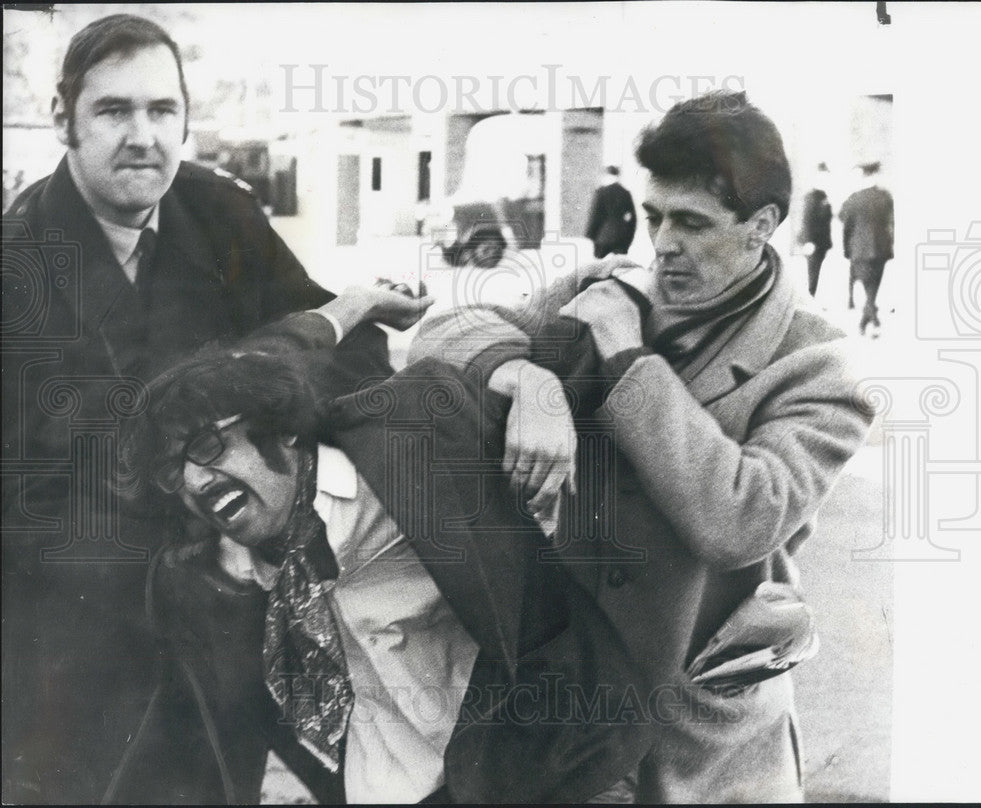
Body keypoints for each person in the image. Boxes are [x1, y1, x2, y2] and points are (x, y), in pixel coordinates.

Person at [0, 15, 431, 803]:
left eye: (163, 111)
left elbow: (350, 357)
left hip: (251, 601)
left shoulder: (216, 211)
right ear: (63, 117)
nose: (143, 136)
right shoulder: (19, 261)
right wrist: (303, 339)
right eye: (114, 110)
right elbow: (107, 449)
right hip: (83, 638)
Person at [411, 90, 875, 802]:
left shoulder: (817, 364)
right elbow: (438, 334)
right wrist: (524, 377)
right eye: (653, 216)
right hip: (566, 717)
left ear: (762, 226)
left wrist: (629, 358)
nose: (660, 245)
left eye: (691, 223)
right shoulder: (603, 287)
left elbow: (740, 519)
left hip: (697, 738)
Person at [109, 299, 653, 804]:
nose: (194, 480)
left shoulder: (416, 431)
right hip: (390, 787)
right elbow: (281, 345)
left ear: (279, 428)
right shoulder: (208, 573)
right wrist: (353, 302)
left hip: (556, 765)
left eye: (205, 447)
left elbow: (541, 328)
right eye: (170, 471)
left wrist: (537, 387)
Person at [840, 162, 894, 335]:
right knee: (873, 286)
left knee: (868, 286)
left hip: (859, 250)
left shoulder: (853, 199)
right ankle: (871, 321)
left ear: (863, 176)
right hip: (881, 249)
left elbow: (846, 226)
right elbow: (891, 224)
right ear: (875, 175)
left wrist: (846, 249)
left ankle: (867, 322)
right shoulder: (885, 197)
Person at [796, 162, 833, 296]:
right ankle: (809, 299)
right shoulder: (811, 197)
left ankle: (812, 297)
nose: (825, 180)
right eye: (823, 177)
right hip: (812, 243)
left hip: (821, 242)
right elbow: (806, 220)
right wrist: (808, 241)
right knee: (811, 274)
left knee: (815, 273)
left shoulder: (823, 195)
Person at [585, 165, 637, 258]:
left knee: (601, 268)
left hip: (603, 238)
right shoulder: (625, 193)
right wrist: (628, 238)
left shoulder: (601, 192)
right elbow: (633, 219)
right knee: (618, 268)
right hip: (621, 239)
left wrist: (590, 234)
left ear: (606, 175)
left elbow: (596, 216)